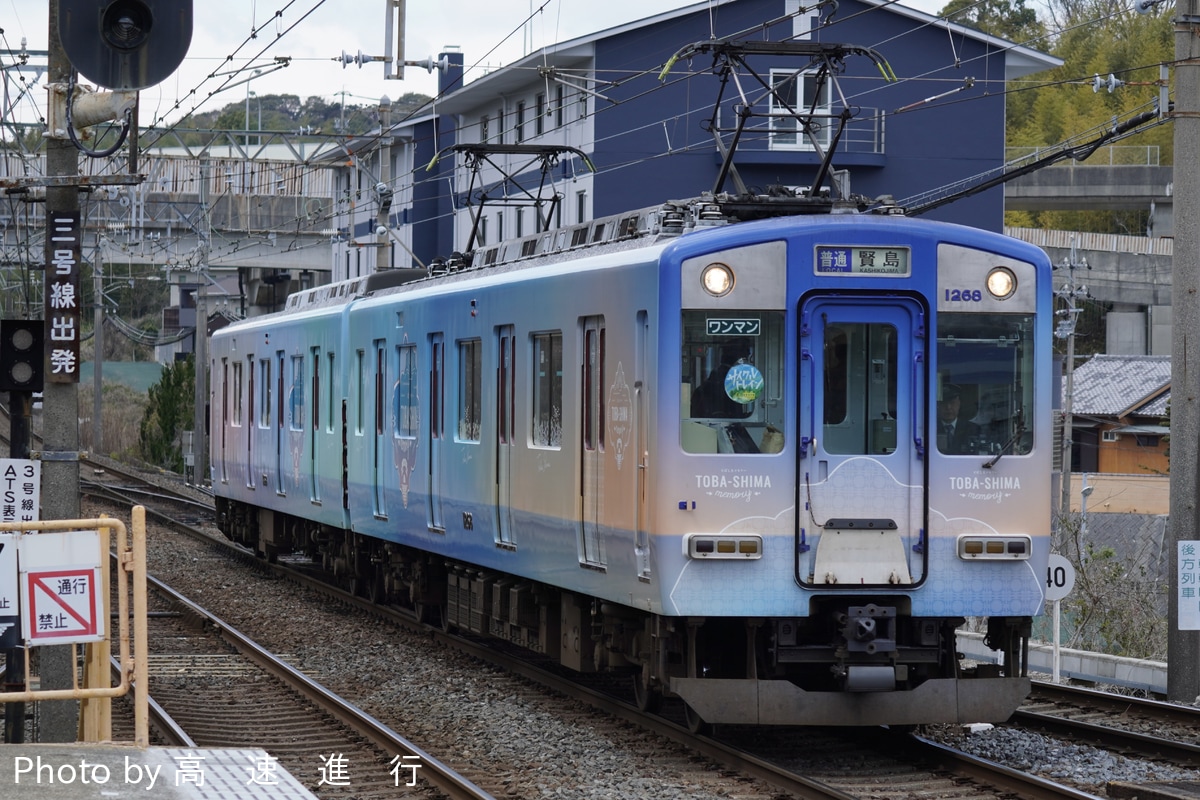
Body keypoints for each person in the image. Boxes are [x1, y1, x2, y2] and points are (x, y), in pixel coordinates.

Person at [936, 384, 981, 454]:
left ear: (959, 404)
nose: (948, 407)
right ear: (937, 406)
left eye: (952, 403)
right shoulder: (930, 429)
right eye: (944, 403)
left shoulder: (973, 429)